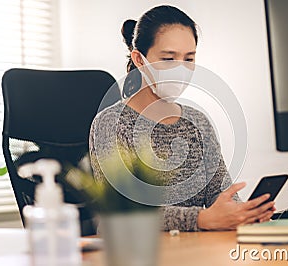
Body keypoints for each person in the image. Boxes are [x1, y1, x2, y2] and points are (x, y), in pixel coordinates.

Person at [89, 5, 275, 231]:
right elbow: (124, 211)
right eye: (168, 58)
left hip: (197, 246)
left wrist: (240, 213)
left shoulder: (197, 121)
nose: (180, 69)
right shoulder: (111, 123)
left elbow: (219, 191)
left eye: (189, 59)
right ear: (139, 60)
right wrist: (201, 219)